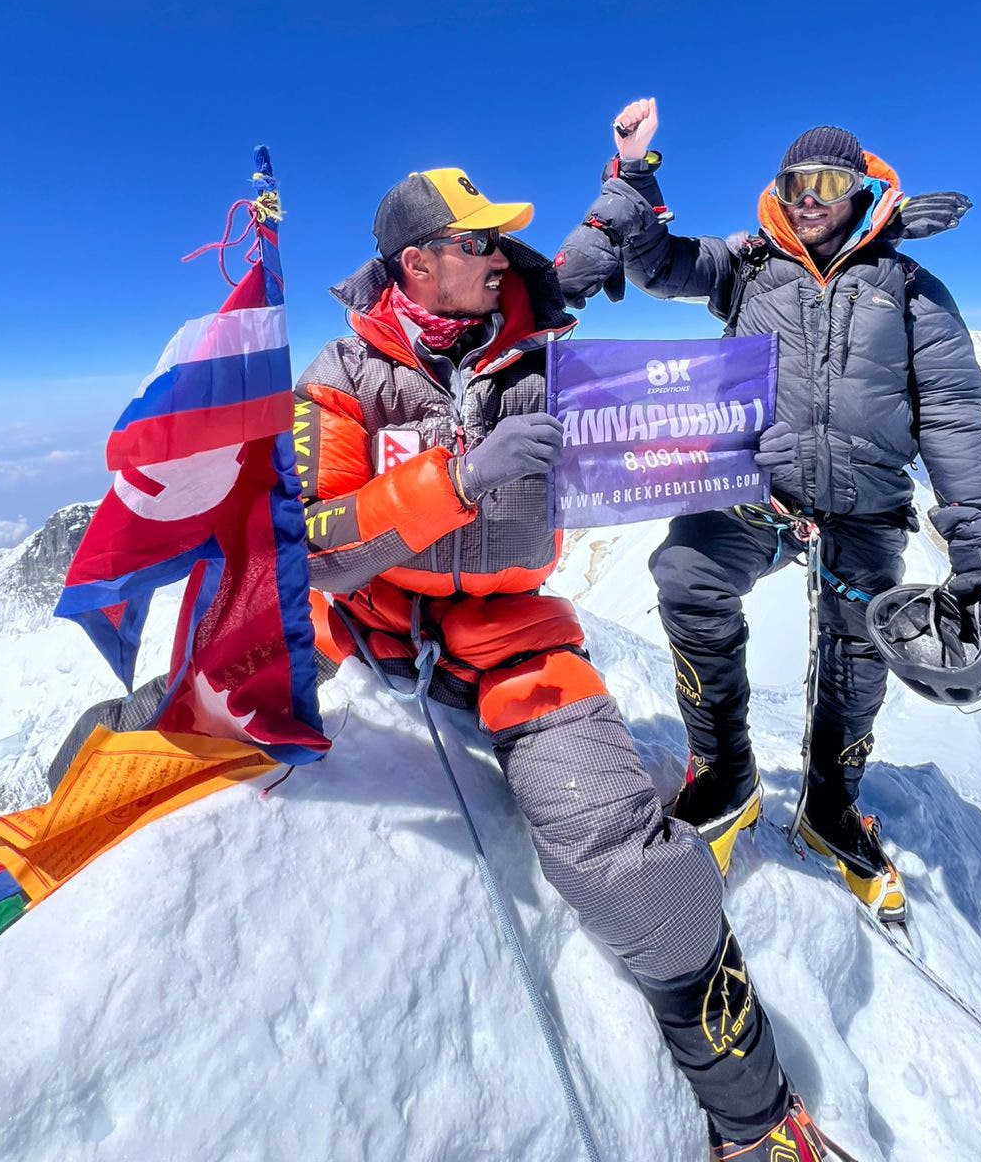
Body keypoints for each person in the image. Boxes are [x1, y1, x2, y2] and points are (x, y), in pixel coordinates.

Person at [295, 167, 836, 1159]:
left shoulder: (541, 356)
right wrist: (452, 481)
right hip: (367, 630)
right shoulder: (340, 373)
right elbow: (315, 540)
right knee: (198, 696)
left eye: (501, 242)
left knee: (632, 870)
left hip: (516, 639)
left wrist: (760, 450)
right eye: (478, 242)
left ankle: (756, 1121)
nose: (498, 256)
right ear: (418, 262)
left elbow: (668, 424)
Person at [561, 99, 981, 926]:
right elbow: (660, 263)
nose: (808, 197)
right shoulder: (747, 266)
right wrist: (629, 171)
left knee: (857, 653)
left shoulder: (914, 292)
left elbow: (952, 417)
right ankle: (723, 771)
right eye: (793, 182)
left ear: (860, 188)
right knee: (685, 574)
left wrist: (980, 550)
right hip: (760, 495)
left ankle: (832, 804)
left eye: (828, 182)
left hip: (866, 507)